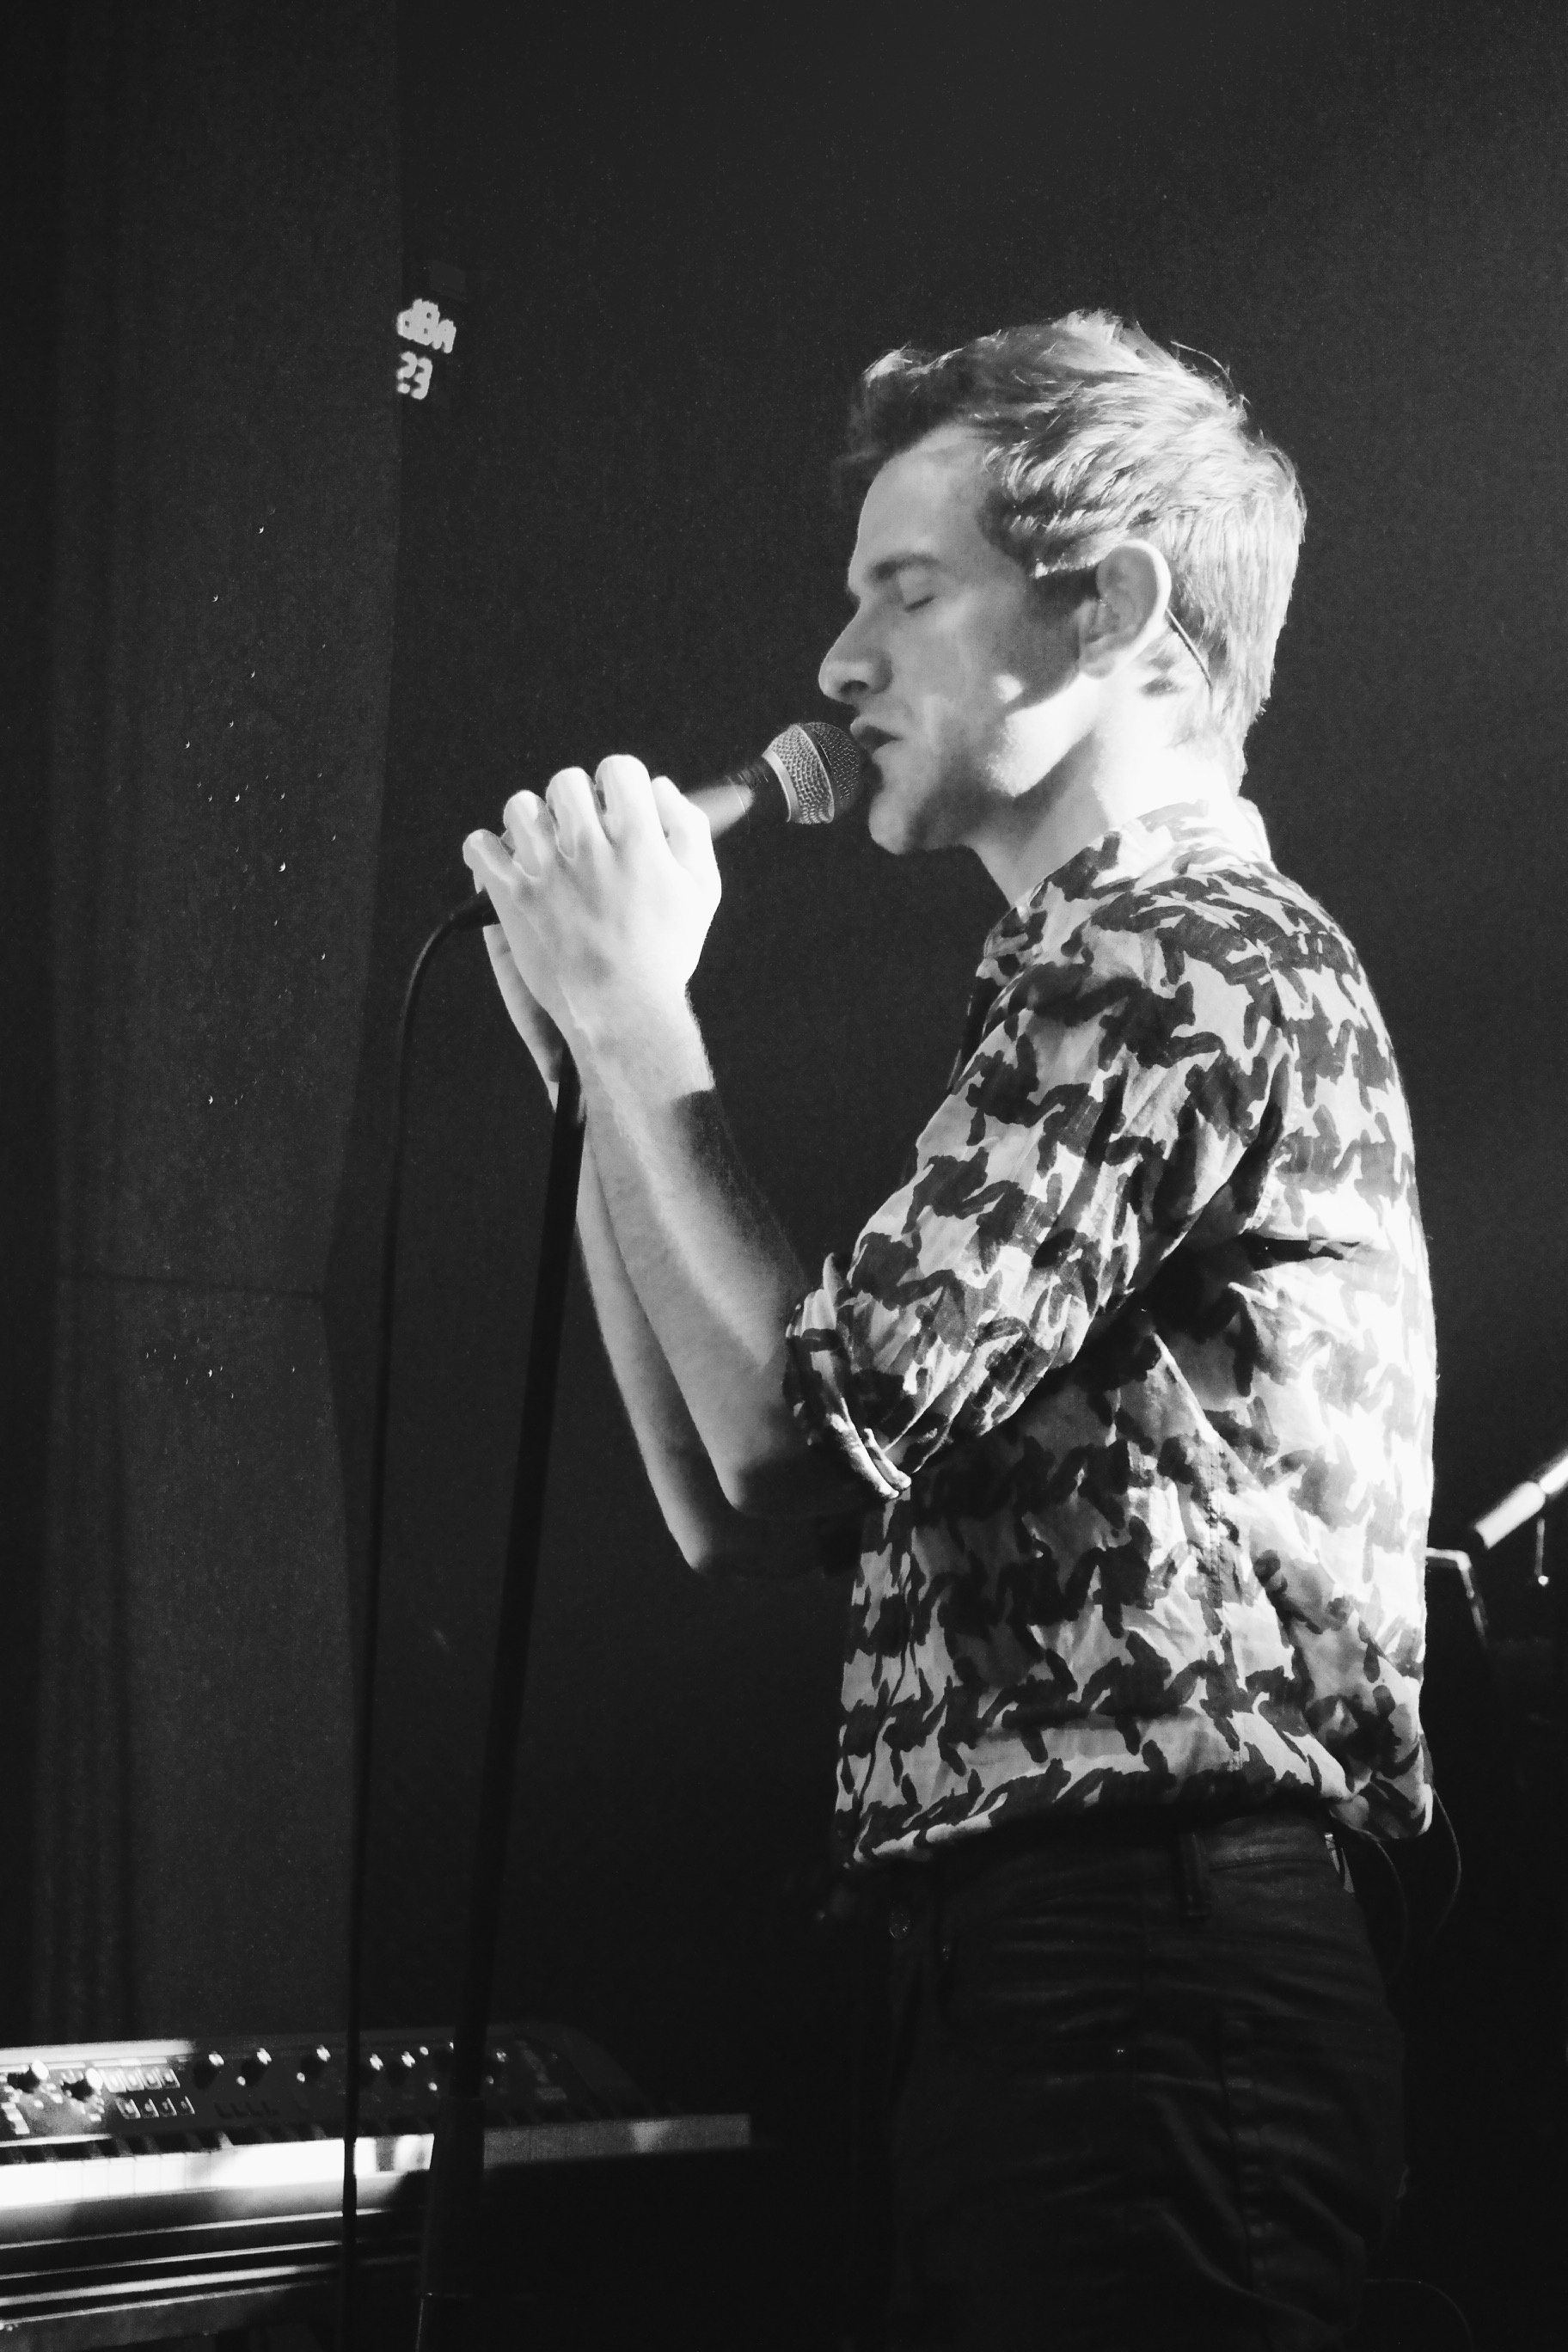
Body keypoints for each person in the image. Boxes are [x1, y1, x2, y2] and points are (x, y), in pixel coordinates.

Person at [463, 314, 1436, 2352]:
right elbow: (741, 1507)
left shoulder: (1183, 953)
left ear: (1113, 610)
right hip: (1054, 1979)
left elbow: (790, 1435)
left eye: (907, 592)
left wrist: (644, 1024)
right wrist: (592, 1076)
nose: (838, 665)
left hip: (1154, 1976)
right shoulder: (1090, 971)